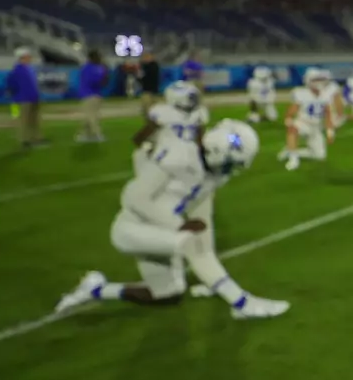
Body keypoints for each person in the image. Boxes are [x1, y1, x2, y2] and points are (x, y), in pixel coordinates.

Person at [57, 119, 289, 320]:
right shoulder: (180, 156)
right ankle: (242, 304)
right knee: (189, 243)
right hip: (131, 228)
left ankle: (95, 289)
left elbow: (199, 215)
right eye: (230, 163)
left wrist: (200, 247)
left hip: (159, 233)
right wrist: (178, 225)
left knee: (168, 294)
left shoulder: (213, 175)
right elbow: (133, 197)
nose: (230, 170)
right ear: (217, 151)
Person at [8, 47, 45, 149]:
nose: (30, 58)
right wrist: (17, 96)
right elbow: (11, 84)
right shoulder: (17, 70)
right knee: (24, 121)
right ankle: (24, 140)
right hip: (23, 99)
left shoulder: (30, 69)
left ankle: (36, 138)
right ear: (22, 57)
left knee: (35, 120)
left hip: (33, 98)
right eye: (28, 56)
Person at [76, 49, 110, 143]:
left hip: (89, 94)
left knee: (90, 116)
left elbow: (97, 82)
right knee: (90, 116)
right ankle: (89, 135)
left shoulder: (88, 68)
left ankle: (94, 135)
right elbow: (102, 82)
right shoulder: (96, 68)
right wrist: (104, 73)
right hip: (93, 94)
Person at [139, 50, 162, 115]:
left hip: (153, 90)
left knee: (153, 108)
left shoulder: (154, 66)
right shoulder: (144, 66)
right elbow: (141, 79)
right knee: (146, 108)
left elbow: (149, 75)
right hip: (146, 90)